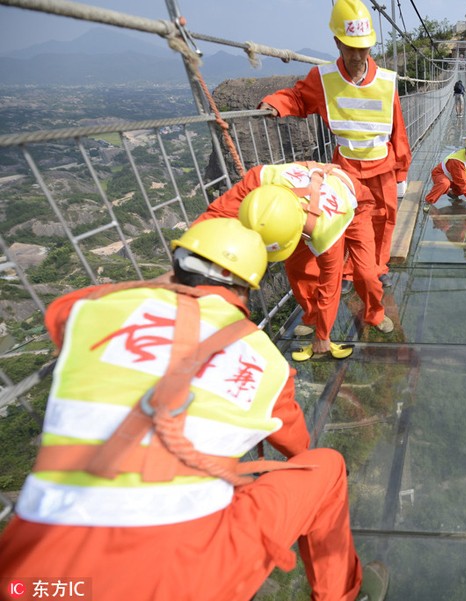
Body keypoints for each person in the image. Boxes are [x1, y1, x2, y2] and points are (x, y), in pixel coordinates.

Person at [0, 218, 390, 601]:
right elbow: (297, 448)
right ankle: (342, 592)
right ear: (245, 289)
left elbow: (63, 312)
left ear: (175, 267)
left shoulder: (92, 312)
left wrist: (158, 290)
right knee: (325, 466)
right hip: (182, 569)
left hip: (32, 567)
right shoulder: (264, 361)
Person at [258, 0, 411, 287]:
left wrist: (401, 171)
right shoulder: (323, 79)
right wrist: (276, 104)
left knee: (383, 219)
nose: (357, 55)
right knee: (347, 222)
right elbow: (300, 98)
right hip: (346, 170)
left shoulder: (387, 81)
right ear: (337, 43)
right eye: (350, 47)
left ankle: (375, 270)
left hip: (383, 168)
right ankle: (351, 272)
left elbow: (397, 129)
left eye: (363, 48)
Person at [195, 161, 394, 359]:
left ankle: (375, 313)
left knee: (366, 272)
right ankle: (312, 315)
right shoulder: (260, 180)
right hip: (303, 206)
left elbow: (330, 286)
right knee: (297, 269)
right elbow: (217, 213)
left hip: (355, 207)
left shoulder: (325, 229)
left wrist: (322, 337)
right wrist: (185, 255)